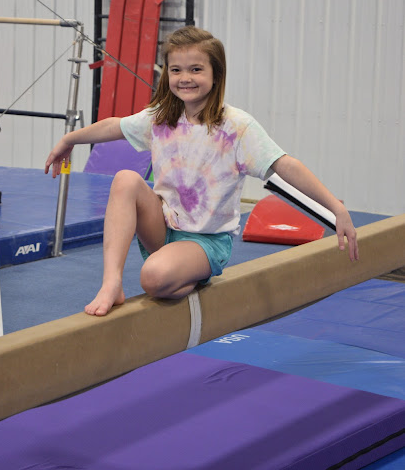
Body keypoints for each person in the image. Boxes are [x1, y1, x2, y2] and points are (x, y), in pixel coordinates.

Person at [45, 26, 359, 316]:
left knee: (153, 278)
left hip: (206, 241)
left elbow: (284, 164)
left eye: (196, 69)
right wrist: (69, 139)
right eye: (176, 69)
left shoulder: (236, 126)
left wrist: (336, 208)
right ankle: (111, 282)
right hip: (162, 227)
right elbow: (115, 126)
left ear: (215, 74)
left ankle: (190, 275)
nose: (185, 78)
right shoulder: (162, 117)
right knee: (126, 179)